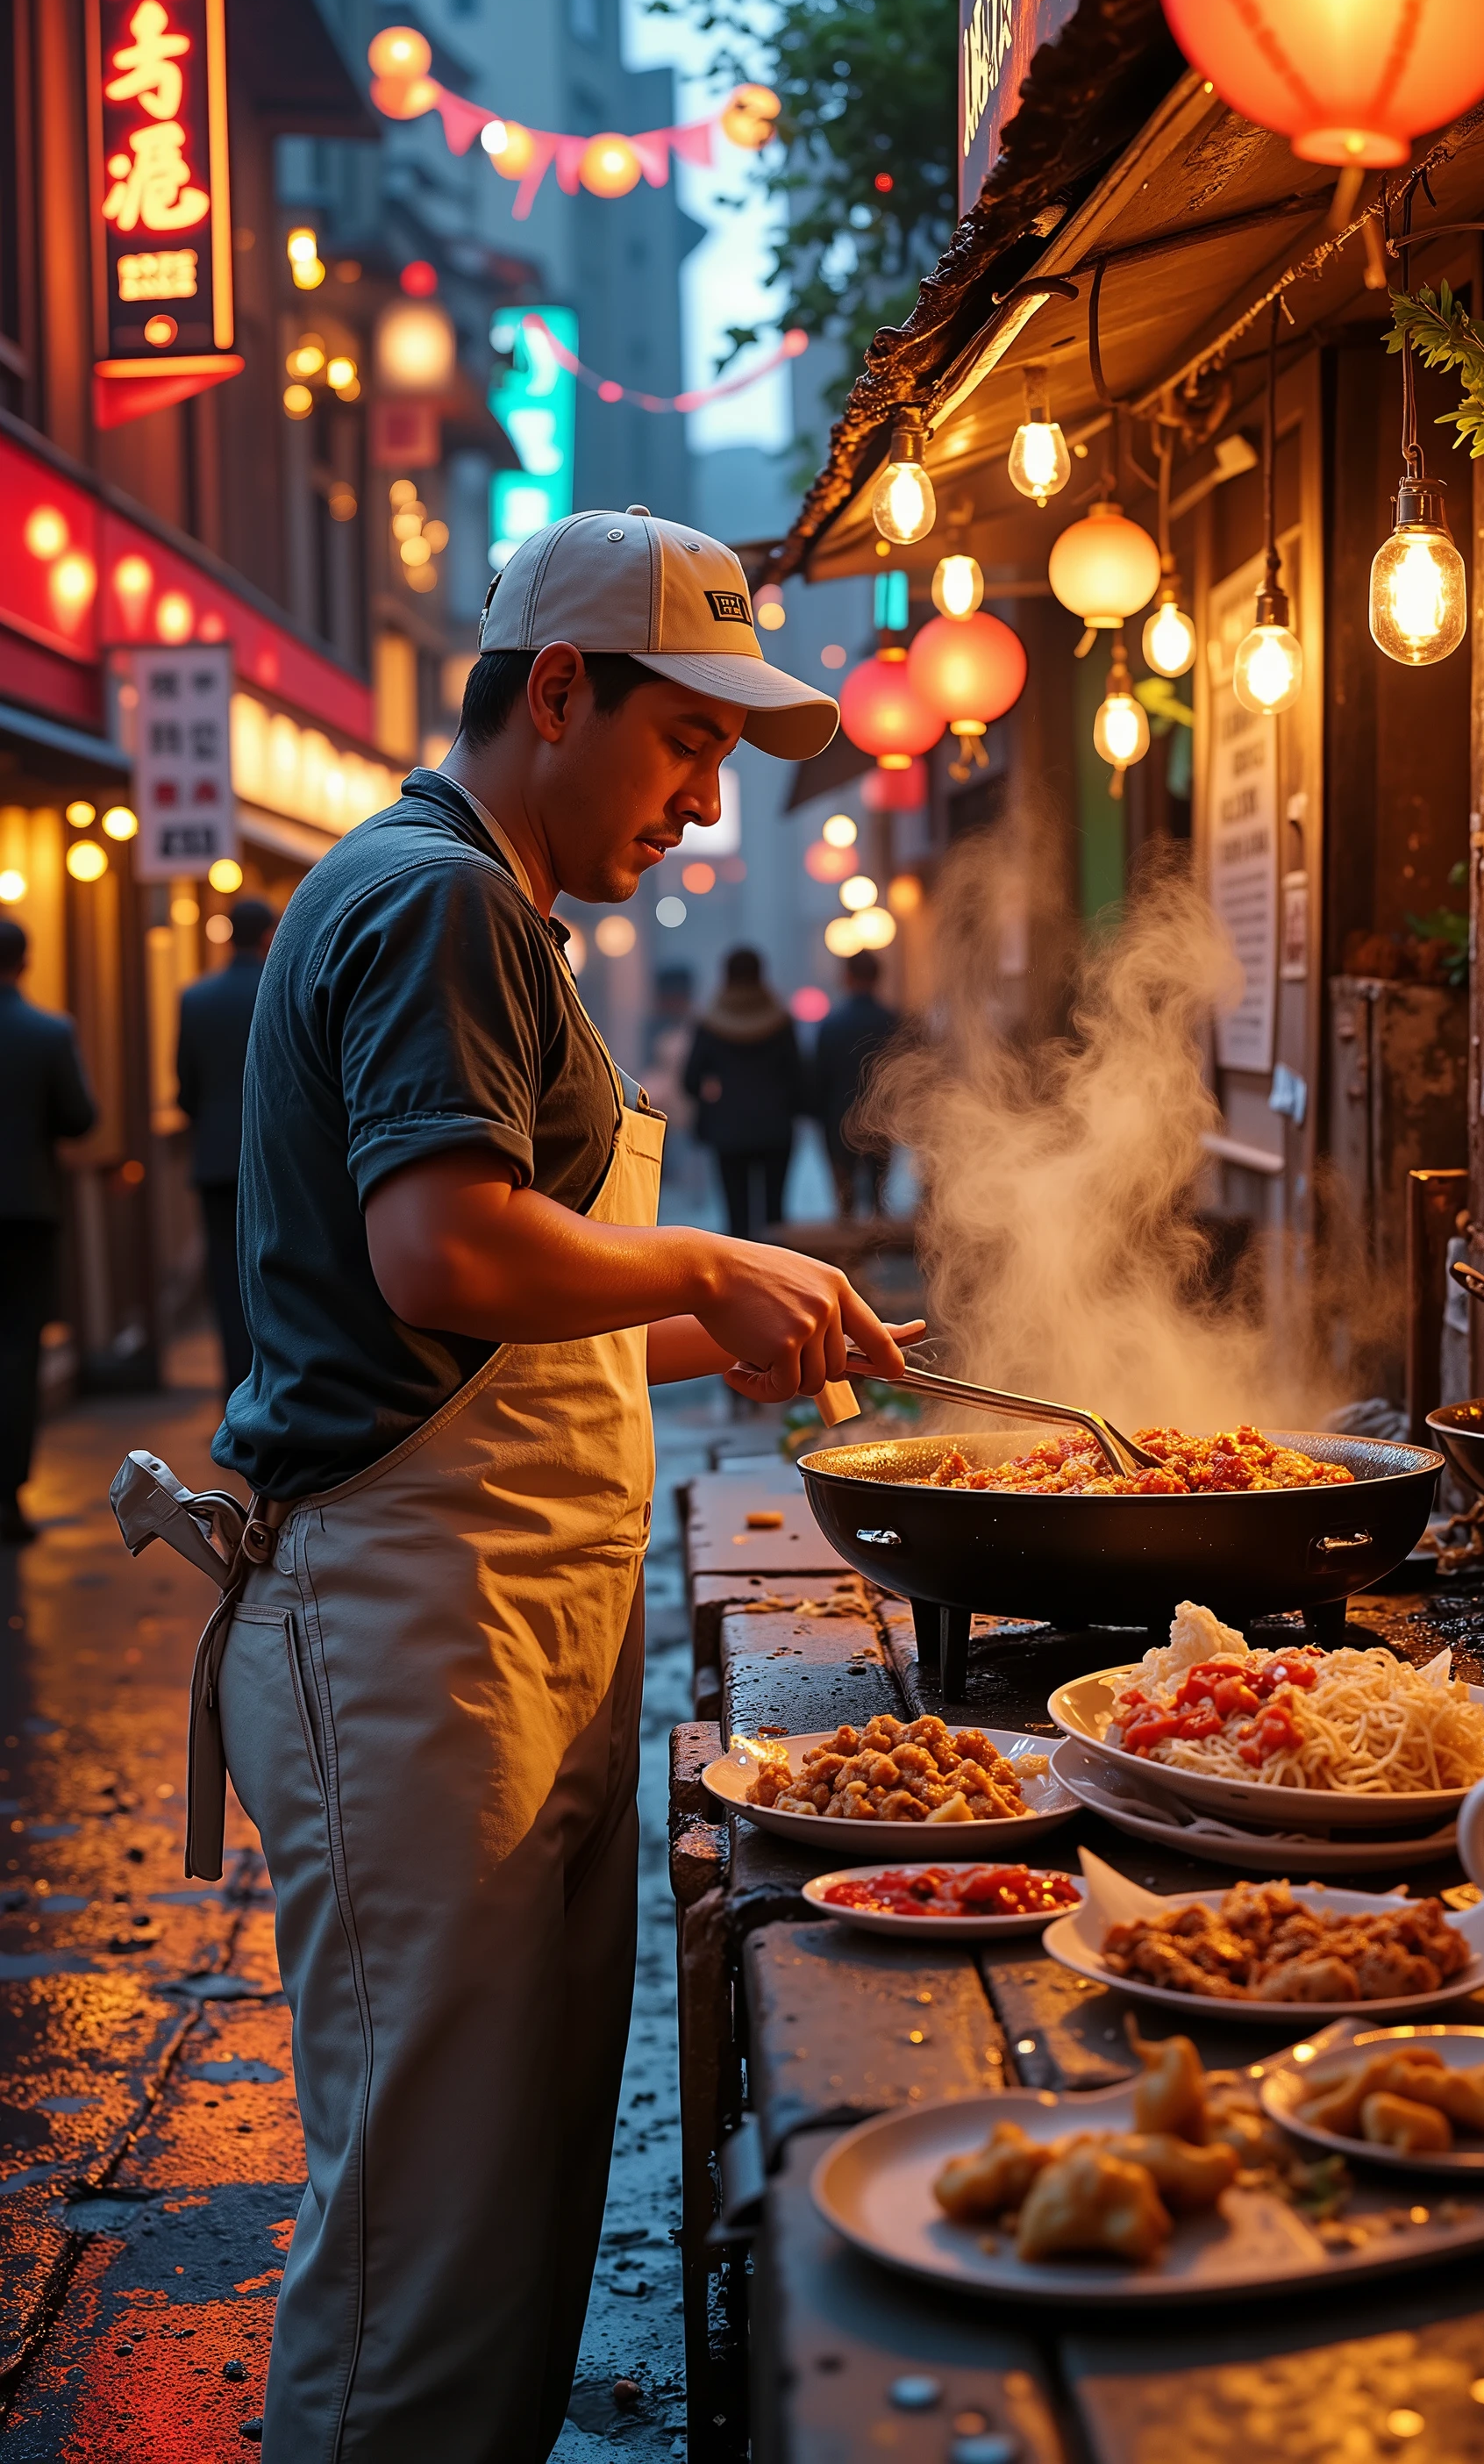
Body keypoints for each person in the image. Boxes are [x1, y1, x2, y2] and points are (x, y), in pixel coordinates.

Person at [202, 508, 919, 2462]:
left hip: (493, 1623)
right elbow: (443, 1251)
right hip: (406, 1633)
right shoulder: (442, 900)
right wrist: (706, 1261)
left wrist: (778, 1320)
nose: (699, 803)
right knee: (422, 2260)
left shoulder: (488, 907)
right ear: (553, 691)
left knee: (508, 2209)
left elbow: (524, 1317)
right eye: (684, 743)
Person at [0, 918, 96, 1543]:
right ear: (26, 961)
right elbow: (80, 1116)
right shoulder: (46, 1032)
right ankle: (8, 1497)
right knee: (16, 1350)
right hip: (26, 1211)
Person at [176, 895, 277, 1398]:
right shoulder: (278, 987)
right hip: (278, 1158)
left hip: (215, 1159)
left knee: (223, 1273)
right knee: (276, 1267)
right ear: (267, 936)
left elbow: (185, 1090)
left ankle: (234, 1389)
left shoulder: (195, 998)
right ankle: (274, 1383)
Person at [682, 946, 805, 1237]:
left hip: (728, 1131)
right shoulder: (780, 1021)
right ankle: (775, 1275)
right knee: (775, 1214)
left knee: (736, 1215)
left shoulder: (711, 1023)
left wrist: (713, 1093)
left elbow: (689, 1080)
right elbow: (798, 1078)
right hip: (775, 1129)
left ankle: (741, 1278)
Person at [812, 951, 900, 1217]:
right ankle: (878, 1247)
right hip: (882, 1116)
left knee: (844, 1197)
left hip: (840, 1116)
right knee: (879, 1194)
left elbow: (819, 1078)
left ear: (847, 977)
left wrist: (819, 1117)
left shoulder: (832, 1025)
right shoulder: (893, 1022)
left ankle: (846, 1254)